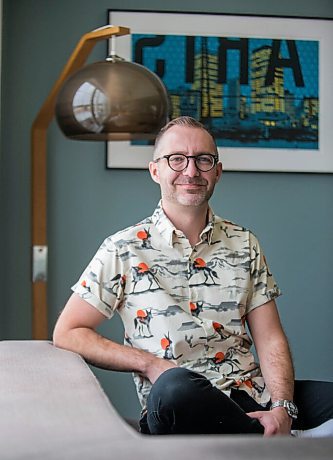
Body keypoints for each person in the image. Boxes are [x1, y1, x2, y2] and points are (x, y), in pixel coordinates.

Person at [53, 116, 333, 437]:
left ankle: (266, 433)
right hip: (181, 401)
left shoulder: (245, 243)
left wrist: (283, 407)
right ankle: (275, 441)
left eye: (203, 159)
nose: (191, 170)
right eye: (177, 159)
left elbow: (270, 337)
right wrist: (150, 364)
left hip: (250, 392)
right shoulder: (123, 248)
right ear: (155, 170)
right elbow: (68, 332)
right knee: (175, 387)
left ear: (217, 171)